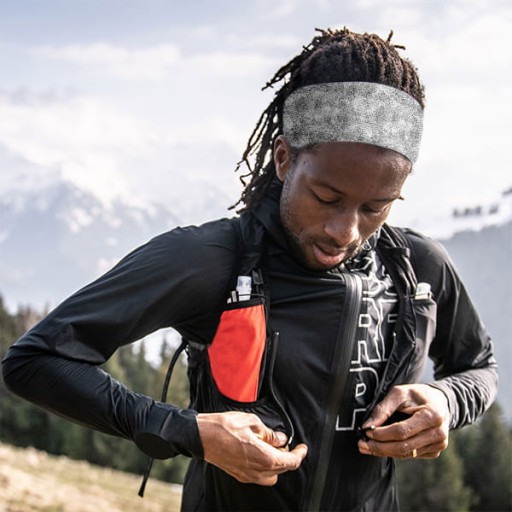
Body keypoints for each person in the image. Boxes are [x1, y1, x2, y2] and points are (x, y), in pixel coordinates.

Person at [2, 28, 498, 511]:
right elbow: (36, 360)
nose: (346, 231)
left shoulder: (419, 269)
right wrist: (190, 432)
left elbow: (478, 366)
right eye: (326, 197)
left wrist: (447, 401)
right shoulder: (212, 259)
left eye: (376, 207)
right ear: (283, 159)